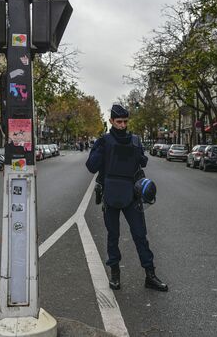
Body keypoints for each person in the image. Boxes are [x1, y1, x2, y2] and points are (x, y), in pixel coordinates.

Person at [86, 104, 168, 292]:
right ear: (111, 122)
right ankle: (115, 273)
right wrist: (100, 149)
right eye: (119, 122)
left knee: (140, 235)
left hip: (132, 194)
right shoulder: (104, 141)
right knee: (113, 236)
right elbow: (91, 166)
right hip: (111, 194)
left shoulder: (135, 141)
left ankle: (150, 275)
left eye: (125, 121)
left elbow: (142, 162)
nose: (122, 125)